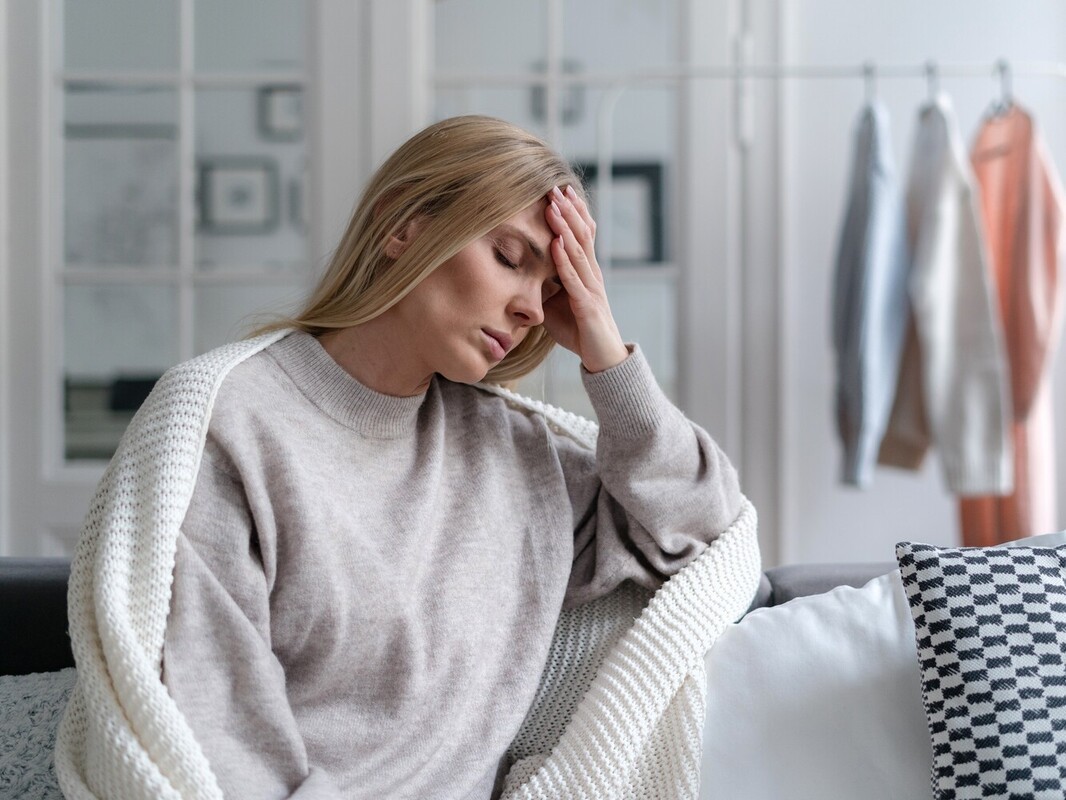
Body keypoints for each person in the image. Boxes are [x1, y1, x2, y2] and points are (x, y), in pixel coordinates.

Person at [61, 115, 746, 800]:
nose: (533, 310)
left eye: (551, 289)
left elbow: (697, 530)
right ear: (402, 226)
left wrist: (605, 347)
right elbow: (217, 735)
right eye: (511, 258)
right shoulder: (228, 425)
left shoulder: (518, 455)